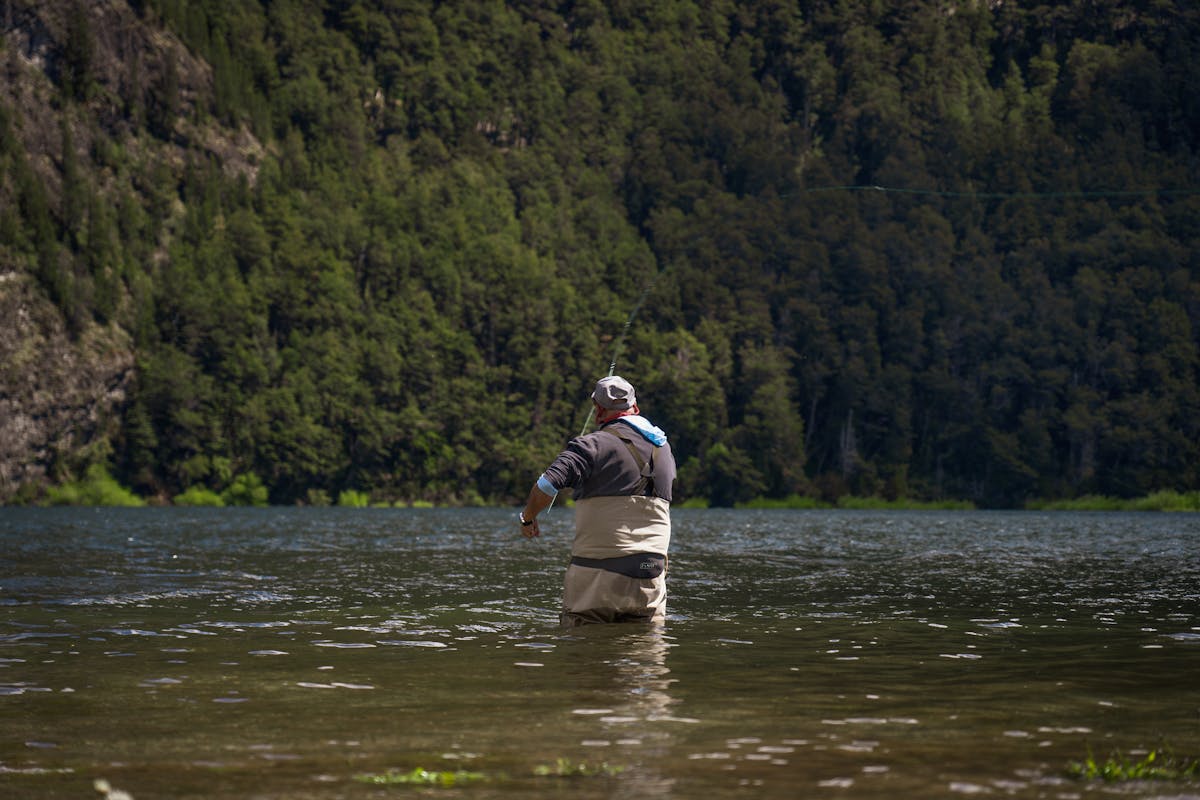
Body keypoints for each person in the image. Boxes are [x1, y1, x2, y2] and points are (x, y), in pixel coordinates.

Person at [519, 376, 677, 626]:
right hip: (651, 573)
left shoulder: (591, 445)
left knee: (582, 653)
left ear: (598, 411)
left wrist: (528, 518)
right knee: (645, 656)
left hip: (597, 575)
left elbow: (546, 485)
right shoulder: (665, 450)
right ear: (634, 408)